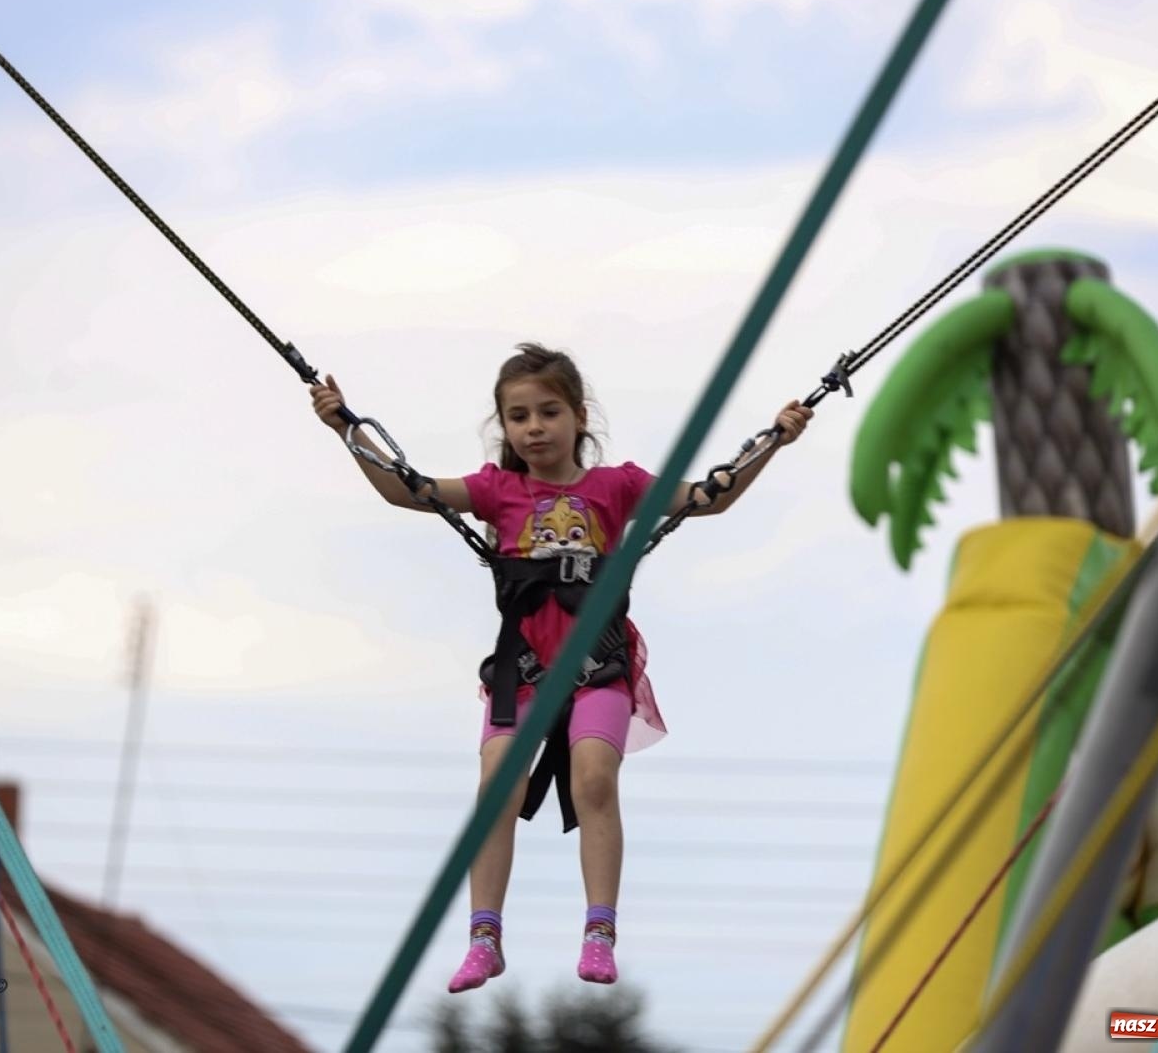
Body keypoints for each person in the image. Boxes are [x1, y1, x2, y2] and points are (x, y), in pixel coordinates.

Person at [310, 342, 812, 993]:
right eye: (518, 417)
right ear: (505, 428)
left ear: (579, 416)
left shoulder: (618, 485)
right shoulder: (499, 492)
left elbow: (707, 497)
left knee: (595, 776)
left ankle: (599, 930)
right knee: (496, 780)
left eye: (549, 412)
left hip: (597, 659)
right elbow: (411, 492)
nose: (535, 428)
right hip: (524, 663)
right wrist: (347, 431)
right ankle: (484, 936)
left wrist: (773, 440)